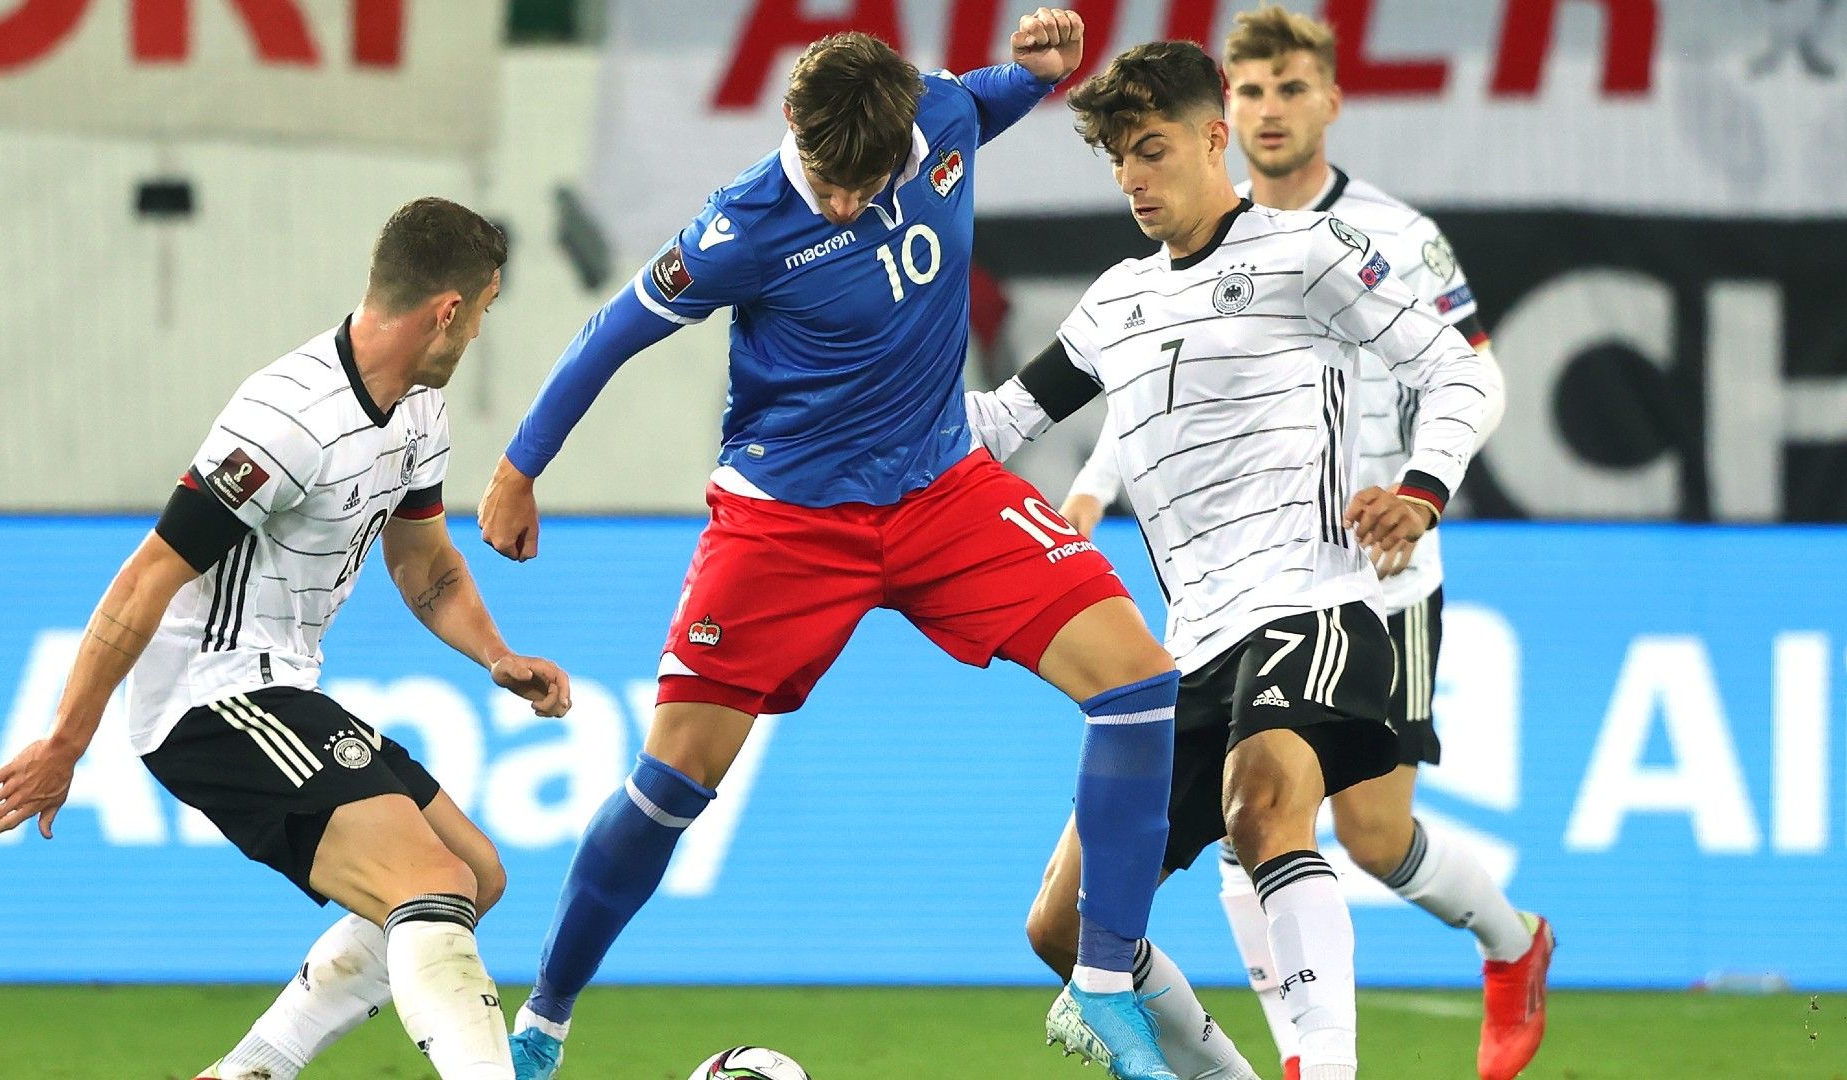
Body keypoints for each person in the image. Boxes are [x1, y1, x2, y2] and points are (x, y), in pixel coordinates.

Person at [477, 12, 1182, 1080]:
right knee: (671, 785)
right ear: (790, 127)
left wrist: (1038, 70)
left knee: (1139, 684)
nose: (847, 201)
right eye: (828, 180)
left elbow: (997, 92)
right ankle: (543, 1022)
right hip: (788, 524)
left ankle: (1101, 985)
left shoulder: (939, 116)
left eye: (866, 181)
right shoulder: (740, 227)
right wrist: (520, 466)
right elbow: (611, 331)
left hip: (944, 491)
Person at [964, 39, 1502, 1080]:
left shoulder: (1308, 255)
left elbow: (1457, 375)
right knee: (1064, 927)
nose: (1132, 180)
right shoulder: (1114, 302)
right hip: (1189, 645)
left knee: (1263, 808)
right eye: (1118, 157)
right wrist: (867, 380)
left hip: (1315, 602)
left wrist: (1422, 489)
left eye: (1151, 150)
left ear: (1214, 139)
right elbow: (996, 425)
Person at [0, 197, 572, 1080]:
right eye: (483, 311)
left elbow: (425, 564)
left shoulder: (419, 414)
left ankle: (247, 1072)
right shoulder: (289, 415)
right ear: (447, 310)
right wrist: (67, 739)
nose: (479, 332)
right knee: (430, 888)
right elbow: (146, 577)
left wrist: (496, 655)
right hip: (208, 695)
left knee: (475, 875)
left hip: (281, 686)